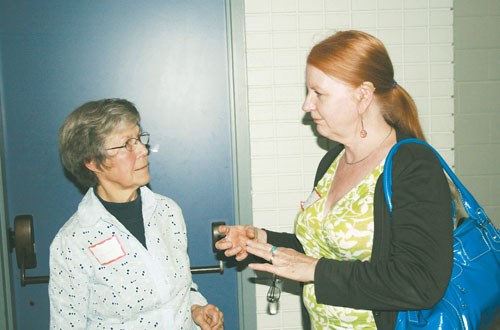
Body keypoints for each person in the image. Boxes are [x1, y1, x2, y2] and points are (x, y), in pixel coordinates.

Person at [215, 30, 453, 329]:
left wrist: (315, 270)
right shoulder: (332, 161)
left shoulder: (413, 167)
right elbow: (324, 250)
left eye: (319, 93)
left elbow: (420, 282)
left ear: (363, 95)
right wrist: (263, 240)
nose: (306, 105)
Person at [49, 98, 224, 329]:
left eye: (139, 139)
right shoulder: (72, 243)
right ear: (92, 162)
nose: (143, 150)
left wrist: (195, 308)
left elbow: (178, 287)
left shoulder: (167, 211)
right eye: (127, 144)